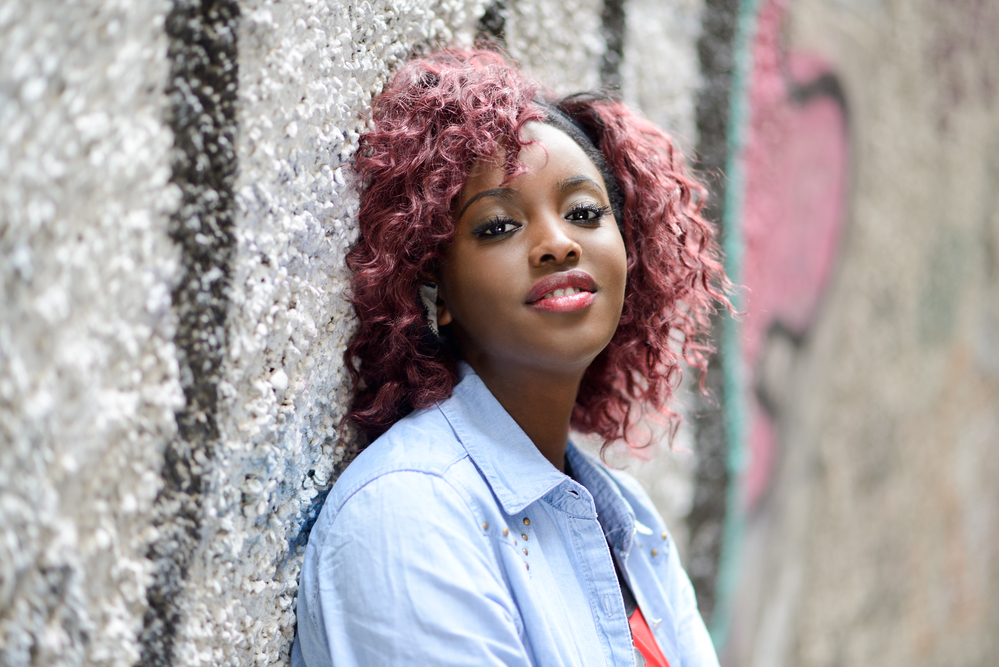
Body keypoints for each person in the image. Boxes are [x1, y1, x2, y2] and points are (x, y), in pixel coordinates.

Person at [292, 48, 729, 667]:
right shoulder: (412, 515)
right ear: (439, 295)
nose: (556, 243)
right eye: (498, 226)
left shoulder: (631, 521)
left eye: (583, 213)